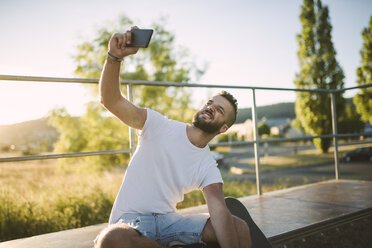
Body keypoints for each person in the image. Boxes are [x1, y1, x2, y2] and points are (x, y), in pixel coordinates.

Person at [94, 27, 252, 248]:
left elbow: (218, 210)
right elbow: (110, 100)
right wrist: (114, 58)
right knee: (110, 240)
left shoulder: (207, 165)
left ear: (223, 128)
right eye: (210, 103)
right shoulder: (159, 126)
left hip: (171, 222)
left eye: (219, 110)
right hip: (131, 221)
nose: (210, 108)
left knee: (238, 227)